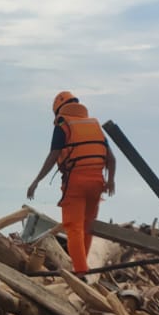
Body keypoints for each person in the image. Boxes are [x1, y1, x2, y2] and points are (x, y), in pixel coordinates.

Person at [26, 91, 116, 273]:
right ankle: (83, 266)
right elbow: (111, 158)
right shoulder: (94, 125)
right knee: (87, 225)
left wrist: (36, 181)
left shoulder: (63, 125)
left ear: (58, 110)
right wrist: (111, 180)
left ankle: (80, 271)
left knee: (73, 227)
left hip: (76, 182)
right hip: (97, 182)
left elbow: (54, 156)